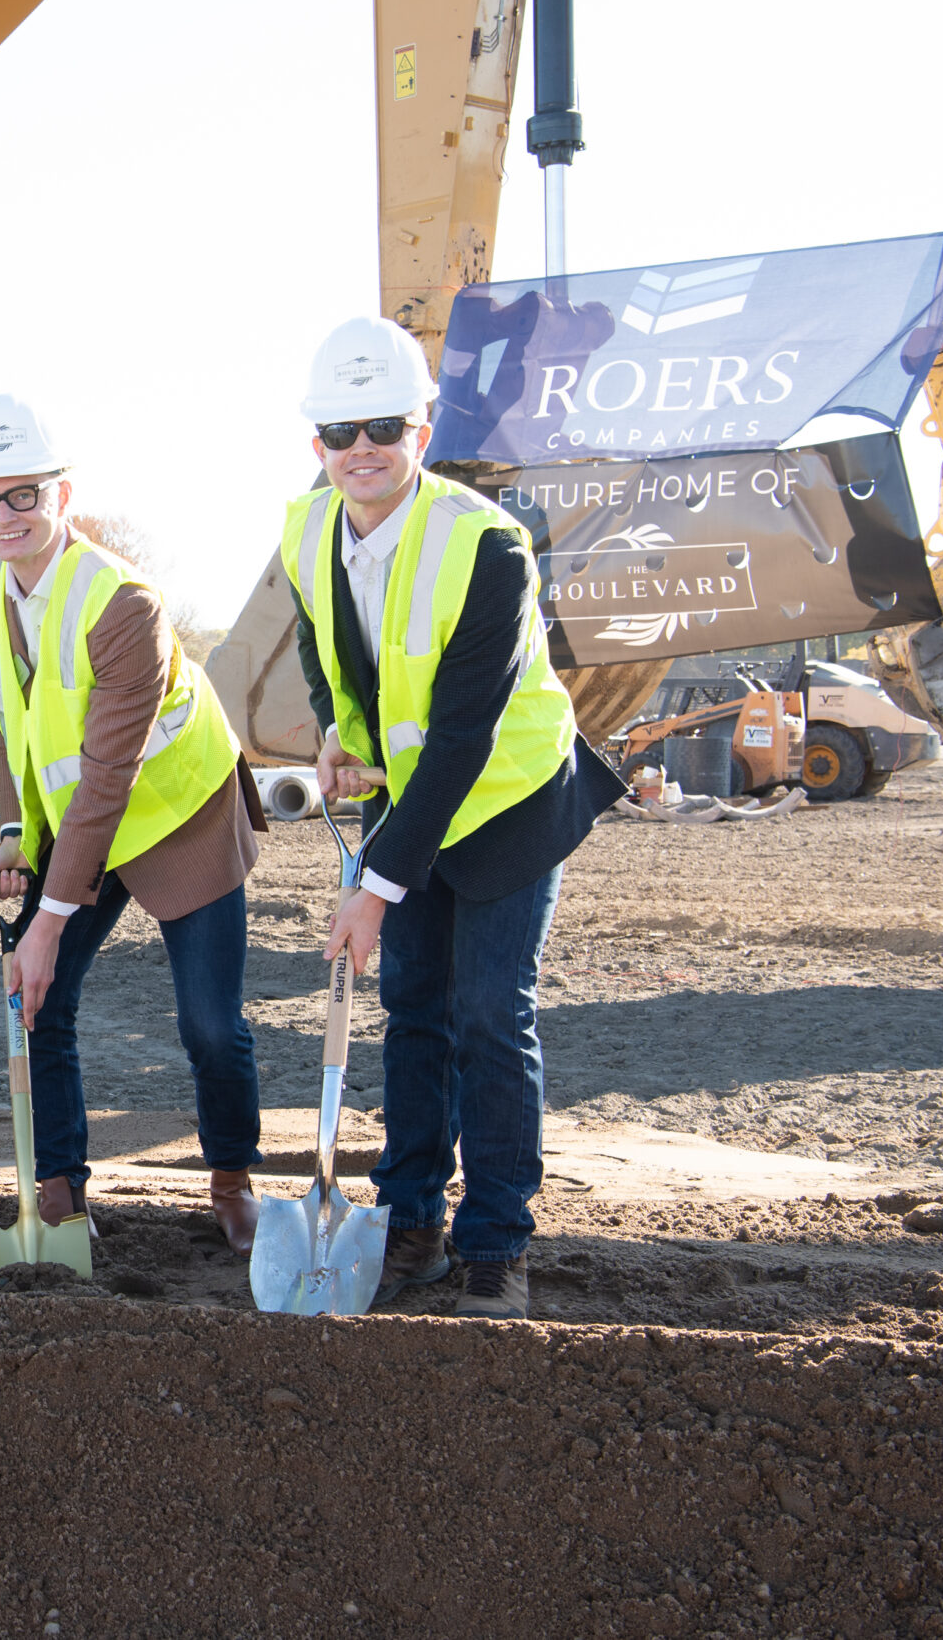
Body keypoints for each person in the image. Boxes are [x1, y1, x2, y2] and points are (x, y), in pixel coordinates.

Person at [282, 316, 624, 1318]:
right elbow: (323, 639)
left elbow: (464, 734)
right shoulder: (305, 528)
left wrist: (373, 887)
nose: (361, 448)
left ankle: (494, 1243)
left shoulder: (488, 545)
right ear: (317, 444)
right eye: (340, 430)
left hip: (509, 796)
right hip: (409, 796)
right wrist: (339, 731)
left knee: (487, 1012)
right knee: (412, 1012)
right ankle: (411, 1219)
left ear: (421, 428)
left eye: (382, 424)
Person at [0, 395, 272, 1253]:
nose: (3, 517)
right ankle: (59, 1195)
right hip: (77, 819)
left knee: (209, 1022)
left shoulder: (124, 602)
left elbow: (108, 778)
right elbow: (6, 719)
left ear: (64, 494)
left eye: (24, 495)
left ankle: (233, 1175)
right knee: (38, 1001)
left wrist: (49, 919)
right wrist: (14, 831)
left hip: (175, 813)